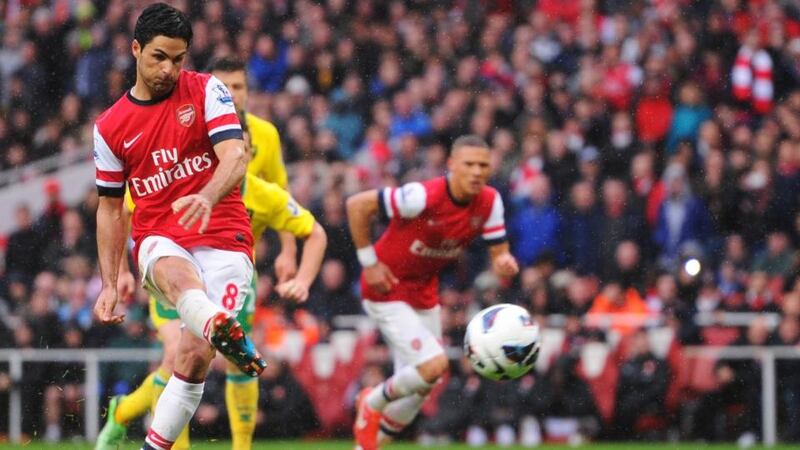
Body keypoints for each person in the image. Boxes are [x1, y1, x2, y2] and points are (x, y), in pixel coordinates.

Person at [96, 55, 308, 450]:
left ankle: (239, 446)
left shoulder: (263, 135)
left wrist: (288, 251)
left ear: (247, 91)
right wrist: (119, 272)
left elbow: (281, 193)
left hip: (231, 254)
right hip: (172, 251)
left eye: (238, 86)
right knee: (178, 352)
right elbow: (124, 207)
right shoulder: (178, 123)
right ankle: (130, 418)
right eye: (224, 85)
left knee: (209, 356)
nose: (231, 94)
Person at [346, 135, 519, 450]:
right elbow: (357, 205)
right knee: (434, 366)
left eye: (483, 165)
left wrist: (504, 262)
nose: (476, 172)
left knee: (424, 384)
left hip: (424, 291)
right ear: (451, 165)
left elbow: (499, 254)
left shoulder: (490, 201)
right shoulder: (421, 196)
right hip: (386, 287)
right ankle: (371, 401)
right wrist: (369, 263)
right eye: (469, 164)